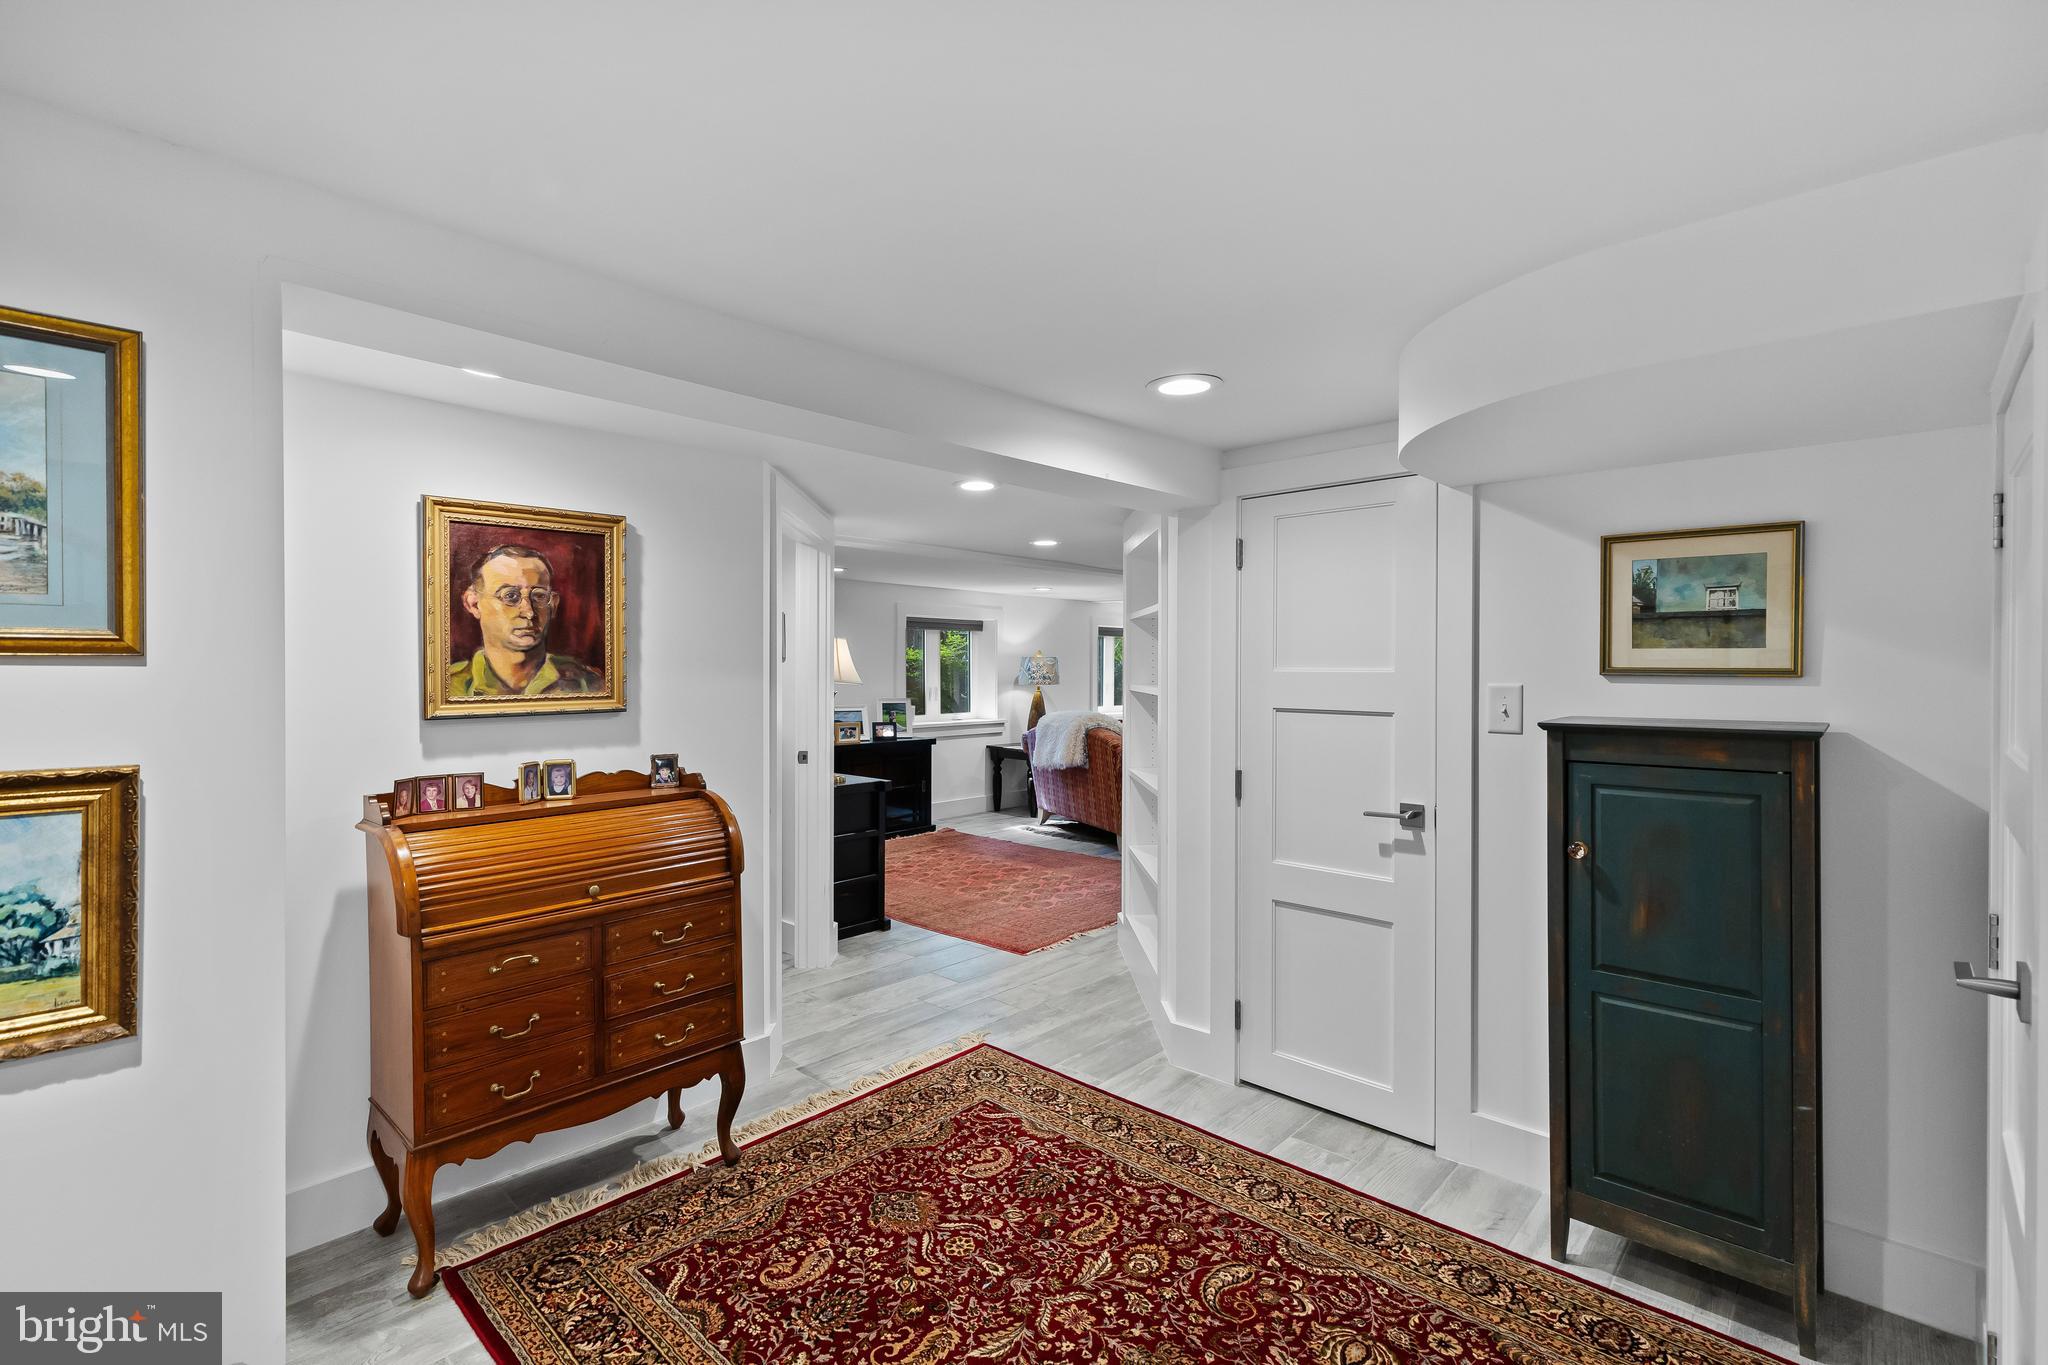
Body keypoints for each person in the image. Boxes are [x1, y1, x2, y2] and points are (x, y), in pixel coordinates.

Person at [446, 544, 605, 698]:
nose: (529, 612)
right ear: (474, 604)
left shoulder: (590, 684)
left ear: (553, 605)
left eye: (539, 596)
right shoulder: (448, 687)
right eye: (510, 596)